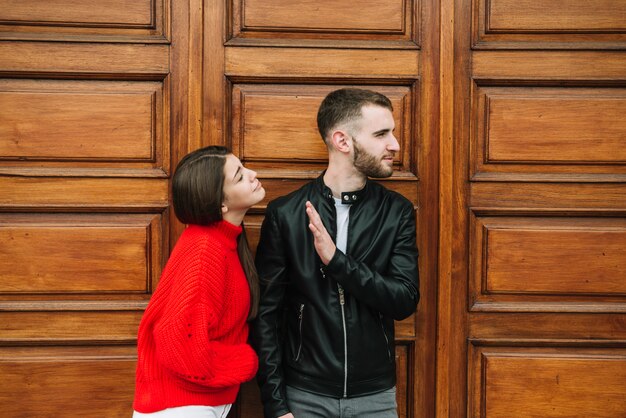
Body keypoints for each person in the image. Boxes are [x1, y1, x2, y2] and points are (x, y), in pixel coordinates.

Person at [251, 88, 420, 418]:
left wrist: (337, 262)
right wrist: (276, 404)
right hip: (305, 395)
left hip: (375, 396)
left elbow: (403, 300)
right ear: (343, 141)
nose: (395, 145)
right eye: (382, 134)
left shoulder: (396, 211)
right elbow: (266, 318)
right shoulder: (286, 214)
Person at [133, 145, 265, 418]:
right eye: (239, 176)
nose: (253, 175)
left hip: (193, 404)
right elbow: (176, 341)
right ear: (220, 203)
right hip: (183, 408)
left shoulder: (224, 240)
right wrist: (245, 361)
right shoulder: (206, 250)